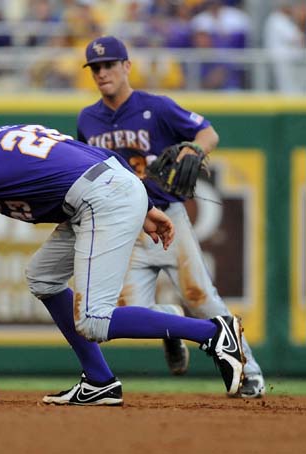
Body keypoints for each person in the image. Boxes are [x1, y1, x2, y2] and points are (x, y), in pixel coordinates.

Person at [0, 94, 246, 406]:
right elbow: (94, 157)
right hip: (105, 189)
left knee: (93, 321)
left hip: (100, 199)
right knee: (42, 276)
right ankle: (100, 382)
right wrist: (146, 207)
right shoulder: (4, 138)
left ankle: (213, 332)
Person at [75, 35, 264, 397]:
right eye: (95, 68)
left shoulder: (155, 107)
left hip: (168, 217)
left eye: (109, 65)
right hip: (124, 225)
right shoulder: (88, 119)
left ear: (127, 66)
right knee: (131, 312)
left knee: (201, 297)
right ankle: (172, 322)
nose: (102, 73)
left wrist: (195, 147)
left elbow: (208, 132)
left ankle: (249, 372)